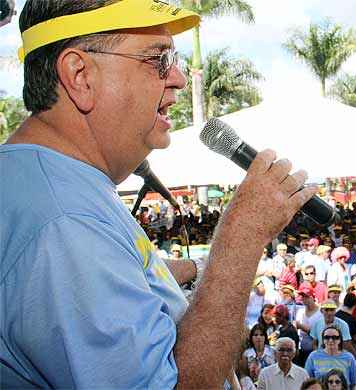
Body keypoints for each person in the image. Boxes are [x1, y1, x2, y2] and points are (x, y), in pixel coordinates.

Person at [0, 1, 318, 388]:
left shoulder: (55, 185)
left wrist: (195, 270)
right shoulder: (65, 221)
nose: (180, 78)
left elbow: (109, 276)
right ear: (80, 75)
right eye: (158, 59)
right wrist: (242, 236)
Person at [295, 286, 323, 365]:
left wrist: (300, 326)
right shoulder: (300, 311)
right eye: (302, 296)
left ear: (312, 297)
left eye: (306, 296)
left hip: (314, 350)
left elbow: (318, 334)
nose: (303, 299)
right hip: (301, 349)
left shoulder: (320, 314)